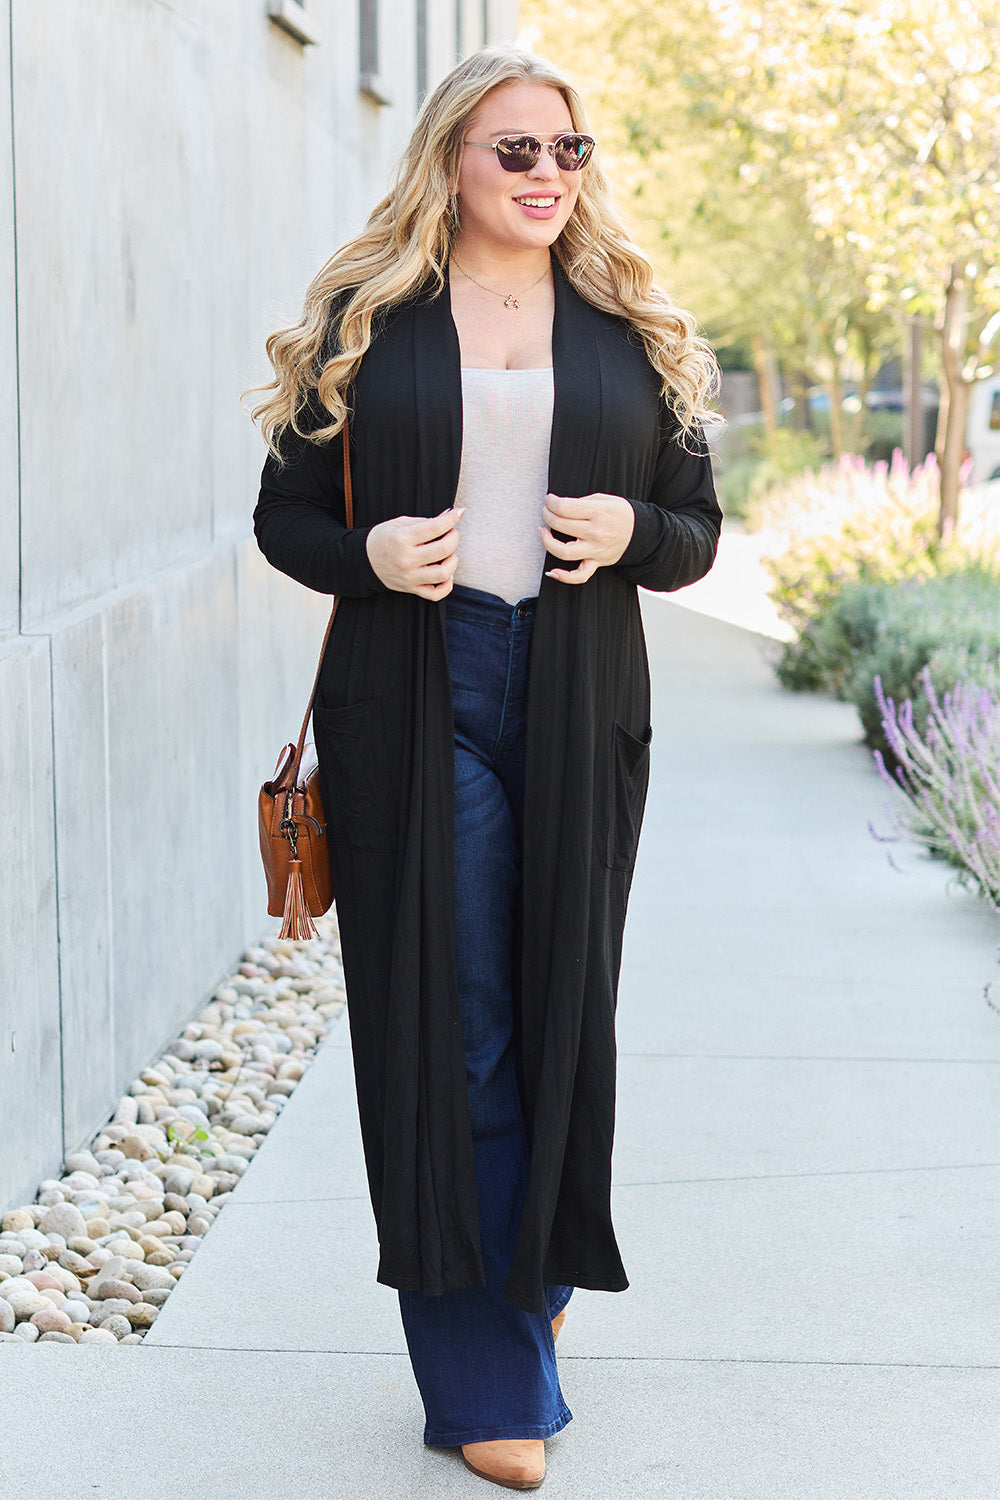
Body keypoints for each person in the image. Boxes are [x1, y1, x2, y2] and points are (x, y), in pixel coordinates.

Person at [251, 44, 722, 1491]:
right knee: (455, 1026)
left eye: (567, 151)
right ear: (452, 157)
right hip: (414, 693)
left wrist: (634, 537)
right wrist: (376, 554)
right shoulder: (367, 316)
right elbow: (283, 522)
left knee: (555, 1005)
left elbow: (698, 526)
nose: (545, 176)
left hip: (577, 701)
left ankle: (533, 1279)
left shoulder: (627, 323)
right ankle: (490, 1381)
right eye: (515, 150)